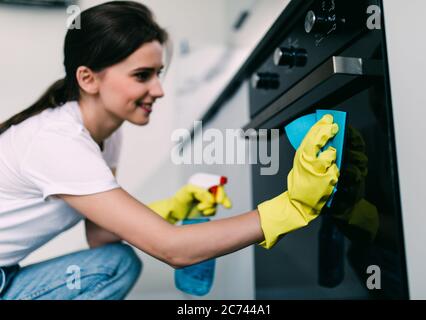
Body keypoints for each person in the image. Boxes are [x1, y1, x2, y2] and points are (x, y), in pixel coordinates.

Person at [0, 1, 339, 300]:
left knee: (116, 263)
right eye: (142, 75)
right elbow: (173, 250)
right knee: (120, 264)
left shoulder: (108, 133)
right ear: (88, 79)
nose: (159, 90)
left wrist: (173, 208)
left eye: (158, 73)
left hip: (6, 272)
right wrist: (291, 207)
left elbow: (100, 235)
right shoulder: (58, 142)